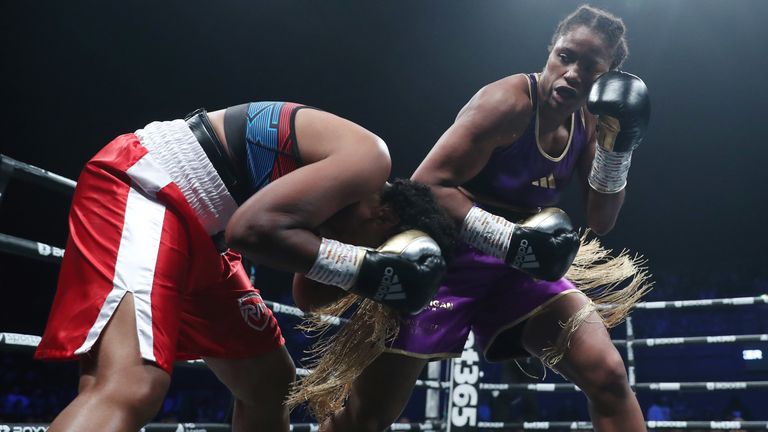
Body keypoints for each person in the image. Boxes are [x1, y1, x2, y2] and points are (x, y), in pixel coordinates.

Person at [309, 5, 652, 431]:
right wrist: (506, 238)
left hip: (519, 266)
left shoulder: (588, 123)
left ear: (608, 78)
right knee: (368, 416)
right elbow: (425, 186)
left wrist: (619, 148)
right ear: (550, 52)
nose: (573, 73)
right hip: (445, 262)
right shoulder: (506, 103)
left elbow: (601, 219)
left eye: (590, 67)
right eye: (565, 56)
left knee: (608, 376)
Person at [33, 101, 456, 432]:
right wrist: (367, 266)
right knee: (131, 386)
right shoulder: (368, 159)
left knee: (270, 387)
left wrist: (375, 277)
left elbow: (307, 294)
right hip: (152, 187)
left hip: (205, 240)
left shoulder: (341, 209)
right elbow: (249, 231)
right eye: (373, 247)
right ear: (384, 219)